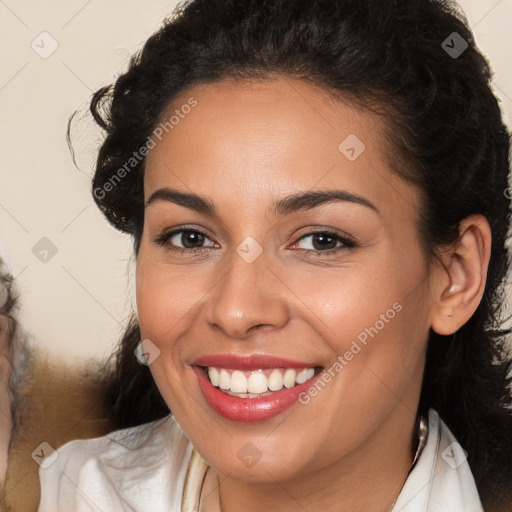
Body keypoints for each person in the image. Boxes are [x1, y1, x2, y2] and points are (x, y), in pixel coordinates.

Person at [38, 0, 512, 510]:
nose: (236, 310)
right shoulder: (70, 493)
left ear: (455, 275)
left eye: (321, 240)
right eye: (190, 238)